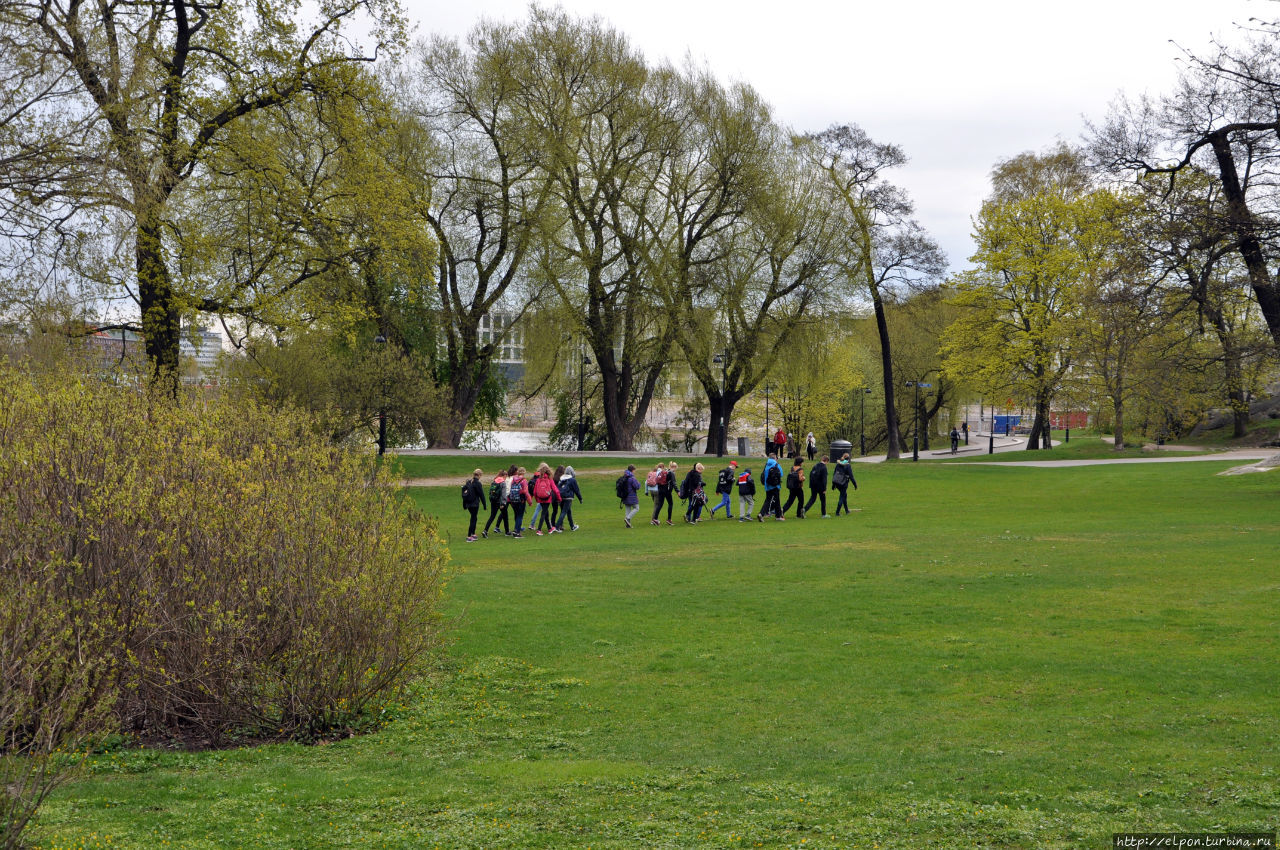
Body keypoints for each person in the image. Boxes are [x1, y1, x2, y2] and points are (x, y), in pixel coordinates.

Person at [532, 462, 562, 535]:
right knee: (544, 513)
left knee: (546, 513)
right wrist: (559, 498)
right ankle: (539, 530)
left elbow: (535, 491)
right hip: (547, 498)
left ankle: (549, 528)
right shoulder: (549, 479)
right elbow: (555, 490)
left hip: (540, 498)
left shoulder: (538, 479)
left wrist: (537, 499)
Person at [481, 467, 510, 538]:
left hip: (493, 501)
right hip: (500, 502)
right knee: (505, 516)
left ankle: (485, 531)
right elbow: (503, 494)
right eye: (506, 476)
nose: (506, 477)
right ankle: (507, 532)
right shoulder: (502, 483)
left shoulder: (494, 481)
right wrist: (503, 503)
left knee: (492, 516)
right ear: (504, 475)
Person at [461, 468, 485, 542]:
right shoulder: (477, 483)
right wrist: (484, 505)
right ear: (479, 475)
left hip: (468, 504)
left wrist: (464, 504)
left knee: (474, 518)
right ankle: (469, 536)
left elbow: (464, 492)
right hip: (474, 504)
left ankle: (473, 534)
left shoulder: (468, 482)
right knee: (473, 519)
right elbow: (481, 495)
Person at [758, 452, 783, 522]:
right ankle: (777, 516)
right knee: (776, 500)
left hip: (768, 485)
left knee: (768, 500)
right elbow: (781, 474)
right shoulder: (776, 464)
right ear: (775, 458)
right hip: (775, 486)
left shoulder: (767, 465)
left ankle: (762, 514)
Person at [557, 465, 583, 531]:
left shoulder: (561, 479)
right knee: (564, 512)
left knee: (568, 512)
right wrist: (580, 498)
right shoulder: (572, 480)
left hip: (561, 497)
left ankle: (572, 526)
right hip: (568, 498)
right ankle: (556, 527)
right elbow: (576, 490)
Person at [507, 466, 531, 537]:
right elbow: (526, 492)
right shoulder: (524, 480)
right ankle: (517, 532)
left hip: (513, 500)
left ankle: (515, 529)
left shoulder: (513, 479)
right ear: (524, 472)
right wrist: (530, 501)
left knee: (517, 515)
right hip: (521, 500)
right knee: (520, 516)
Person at [653, 461, 678, 526]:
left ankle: (655, 519)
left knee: (660, 504)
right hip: (667, 490)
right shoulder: (671, 473)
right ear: (674, 467)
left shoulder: (665, 471)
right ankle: (669, 519)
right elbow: (674, 483)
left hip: (660, 490)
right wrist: (678, 491)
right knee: (670, 504)